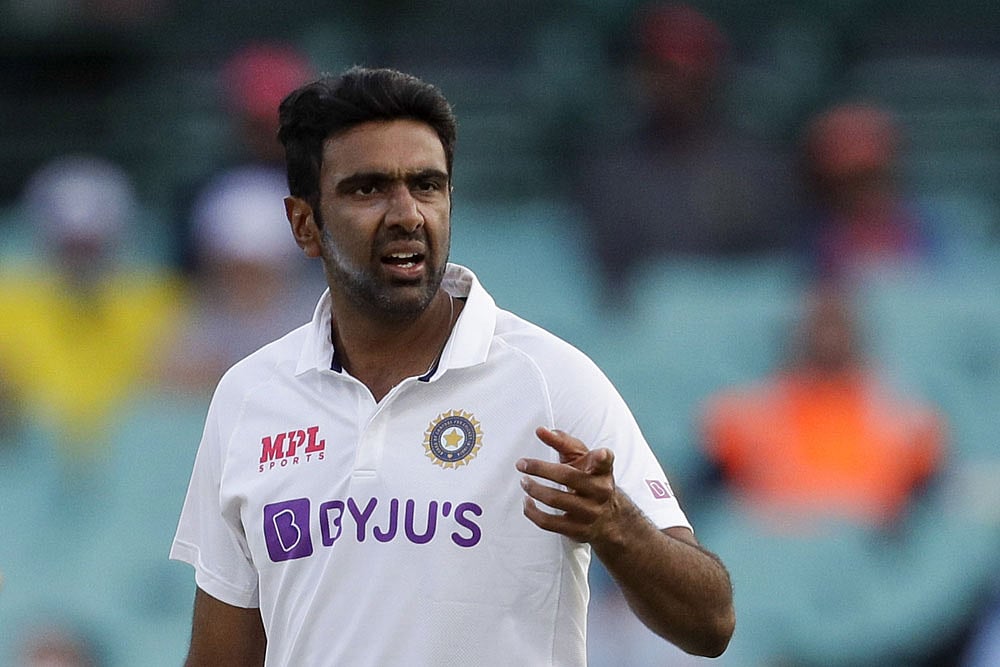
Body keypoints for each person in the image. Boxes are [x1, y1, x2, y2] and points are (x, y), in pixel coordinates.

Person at [170, 66, 734, 666]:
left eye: (427, 185)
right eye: (368, 189)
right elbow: (221, 657)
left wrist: (618, 525)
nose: (408, 214)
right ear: (305, 225)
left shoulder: (549, 380)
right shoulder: (251, 395)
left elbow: (711, 625)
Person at [571, 2, 802, 305]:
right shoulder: (608, 173)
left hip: (746, 323)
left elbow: (779, 272)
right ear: (641, 76)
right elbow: (611, 284)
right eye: (663, 71)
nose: (676, 85)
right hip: (650, 333)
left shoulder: (761, 165)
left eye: (691, 72)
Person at [699, 283, 946, 529]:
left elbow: (936, 505)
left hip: (873, 551)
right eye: (819, 324)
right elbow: (700, 494)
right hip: (774, 546)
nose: (829, 335)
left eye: (839, 324)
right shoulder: (742, 417)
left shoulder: (909, 423)